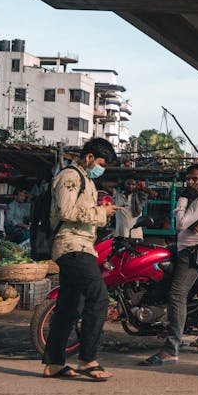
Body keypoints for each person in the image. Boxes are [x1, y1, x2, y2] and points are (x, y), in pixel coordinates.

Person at [42, 138, 122, 381]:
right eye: (100, 162)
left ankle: (54, 364)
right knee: (98, 297)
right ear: (88, 157)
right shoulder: (71, 177)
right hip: (72, 245)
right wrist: (102, 212)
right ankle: (88, 359)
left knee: (69, 307)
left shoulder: (85, 179)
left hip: (81, 245)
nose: (101, 168)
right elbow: (66, 212)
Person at [141, 163, 198, 366]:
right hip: (186, 248)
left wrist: (182, 200)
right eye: (188, 179)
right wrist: (188, 219)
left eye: (195, 179)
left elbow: (179, 224)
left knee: (177, 295)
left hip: (195, 252)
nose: (191, 182)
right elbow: (186, 223)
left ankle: (171, 350)